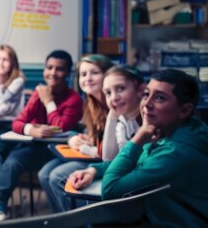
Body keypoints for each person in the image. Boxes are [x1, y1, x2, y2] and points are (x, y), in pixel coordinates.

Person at [69, 69, 208, 226]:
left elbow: (110, 190)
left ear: (184, 110)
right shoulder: (180, 128)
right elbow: (139, 161)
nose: (147, 104)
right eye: (147, 95)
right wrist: (93, 170)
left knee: (97, 217)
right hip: (157, 215)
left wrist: (139, 137)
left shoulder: (176, 151)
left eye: (160, 98)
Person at [0, 50, 83, 221]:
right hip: (36, 147)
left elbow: (59, 127)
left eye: (59, 69)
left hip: (59, 151)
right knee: (13, 160)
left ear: (68, 73)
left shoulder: (73, 99)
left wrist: (48, 101)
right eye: (49, 67)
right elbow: (17, 122)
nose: (52, 73)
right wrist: (30, 129)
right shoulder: (39, 92)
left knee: (15, 158)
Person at [38, 54, 113, 213]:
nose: (88, 78)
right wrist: (76, 138)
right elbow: (94, 136)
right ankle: (60, 218)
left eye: (95, 73)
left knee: (57, 176)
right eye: (83, 74)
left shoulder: (113, 102)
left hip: (101, 159)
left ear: (108, 75)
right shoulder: (91, 104)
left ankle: (77, 219)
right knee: (44, 173)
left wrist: (48, 102)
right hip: (92, 154)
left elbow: (60, 127)